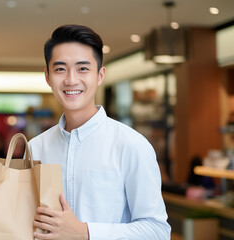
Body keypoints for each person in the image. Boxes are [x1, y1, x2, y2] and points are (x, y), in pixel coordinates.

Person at [28, 25, 171, 239]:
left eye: (83, 68)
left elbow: (157, 231)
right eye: (60, 69)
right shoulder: (35, 148)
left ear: (100, 75)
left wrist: (85, 232)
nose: (71, 80)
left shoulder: (132, 145)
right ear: (47, 77)